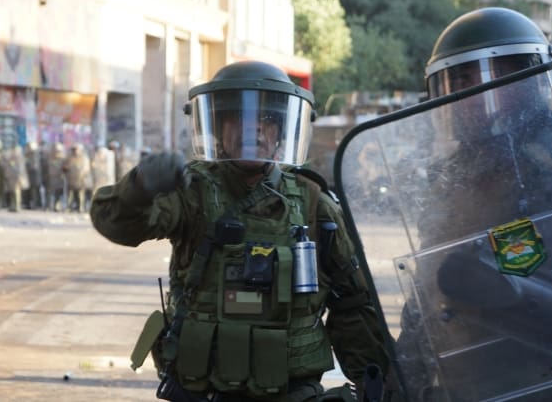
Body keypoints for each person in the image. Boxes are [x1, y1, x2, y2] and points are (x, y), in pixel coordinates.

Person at [90, 61, 389, 401]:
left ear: (281, 132)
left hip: (293, 392)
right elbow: (115, 225)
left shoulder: (313, 202)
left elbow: (352, 304)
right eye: (238, 118)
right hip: (203, 390)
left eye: (267, 119)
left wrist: (374, 380)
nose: (254, 130)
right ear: (218, 127)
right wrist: (140, 187)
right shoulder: (192, 193)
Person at [390, 7, 552, 401]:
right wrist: (404, 368)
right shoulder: (449, 178)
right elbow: (426, 286)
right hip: (465, 382)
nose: (473, 95)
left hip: (549, 381)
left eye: (495, 78)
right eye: (459, 81)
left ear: (531, 80)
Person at [62, 143, 93, 213]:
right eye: (73, 149)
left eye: (76, 149)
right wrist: (65, 168)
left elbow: (86, 169)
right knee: (70, 195)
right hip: (71, 180)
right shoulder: (69, 158)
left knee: (80, 196)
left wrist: (82, 175)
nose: (75, 151)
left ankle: (81, 207)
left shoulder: (84, 158)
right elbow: (65, 167)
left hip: (81, 181)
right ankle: (69, 207)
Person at [45, 142, 66, 212]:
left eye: (57, 151)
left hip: (59, 179)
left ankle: (56, 206)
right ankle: (48, 206)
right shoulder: (49, 158)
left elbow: (65, 169)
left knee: (58, 194)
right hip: (51, 178)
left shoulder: (63, 159)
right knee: (49, 193)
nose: (56, 152)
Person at [23, 141, 42, 210]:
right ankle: (28, 204)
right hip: (28, 177)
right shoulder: (27, 155)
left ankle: (35, 205)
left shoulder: (35, 155)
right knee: (28, 192)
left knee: (34, 192)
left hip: (34, 178)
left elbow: (33, 167)